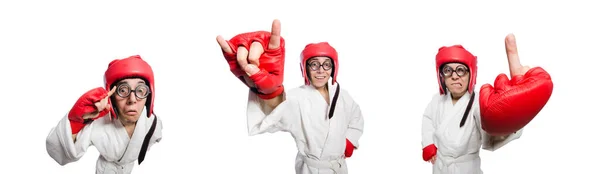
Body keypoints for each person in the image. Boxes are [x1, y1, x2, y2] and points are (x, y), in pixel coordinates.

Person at [216, 19, 364, 174]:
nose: (321, 70)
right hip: (310, 169)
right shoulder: (296, 97)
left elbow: (357, 119)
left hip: (339, 168)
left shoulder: (342, 95)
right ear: (305, 68)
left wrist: (349, 142)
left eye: (326, 64)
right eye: (314, 64)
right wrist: (270, 93)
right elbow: (276, 113)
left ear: (334, 68)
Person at [420, 34, 554, 174]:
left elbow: (492, 130)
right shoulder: (437, 100)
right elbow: (427, 119)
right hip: (440, 166)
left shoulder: (479, 103)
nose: (454, 76)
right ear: (441, 76)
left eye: (461, 70)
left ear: (471, 74)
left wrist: (515, 112)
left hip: (466, 168)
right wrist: (428, 144)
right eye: (448, 70)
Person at [45, 55, 163, 174]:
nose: (132, 99)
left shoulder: (153, 123)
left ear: (148, 96)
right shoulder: (99, 123)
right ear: (112, 96)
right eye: (122, 90)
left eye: (140, 89)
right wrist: (76, 121)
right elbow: (58, 152)